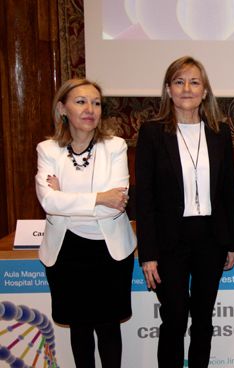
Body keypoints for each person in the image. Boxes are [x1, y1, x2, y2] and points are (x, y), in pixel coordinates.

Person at [135, 56, 234, 367]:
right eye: (179, 82)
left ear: (205, 91)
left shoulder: (219, 132)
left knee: (204, 320)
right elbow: (146, 197)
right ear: (168, 89)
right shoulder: (152, 133)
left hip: (211, 238)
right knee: (175, 317)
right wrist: (148, 253)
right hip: (169, 242)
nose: (187, 88)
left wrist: (232, 242)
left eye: (194, 82)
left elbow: (228, 192)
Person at [35, 78, 136, 368]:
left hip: (109, 251)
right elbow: (48, 203)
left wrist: (65, 195)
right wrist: (98, 197)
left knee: (108, 328)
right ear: (62, 108)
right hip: (66, 252)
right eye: (81, 102)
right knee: (79, 329)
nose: (90, 109)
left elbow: (116, 204)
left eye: (96, 103)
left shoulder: (115, 146)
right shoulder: (48, 150)